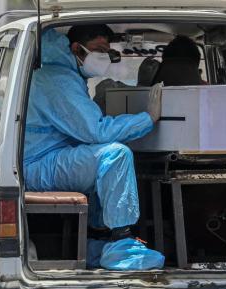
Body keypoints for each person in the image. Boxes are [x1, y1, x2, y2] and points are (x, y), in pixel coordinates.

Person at [24, 25, 163, 242]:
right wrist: (147, 119)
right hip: (38, 166)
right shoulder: (59, 80)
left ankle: (98, 236)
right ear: (77, 49)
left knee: (100, 159)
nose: (104, 57)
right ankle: (121, 240)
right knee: (114, 156)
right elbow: (96, 131)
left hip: (46, 159)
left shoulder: (65, 75)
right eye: (98, 50)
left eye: (107, 51)